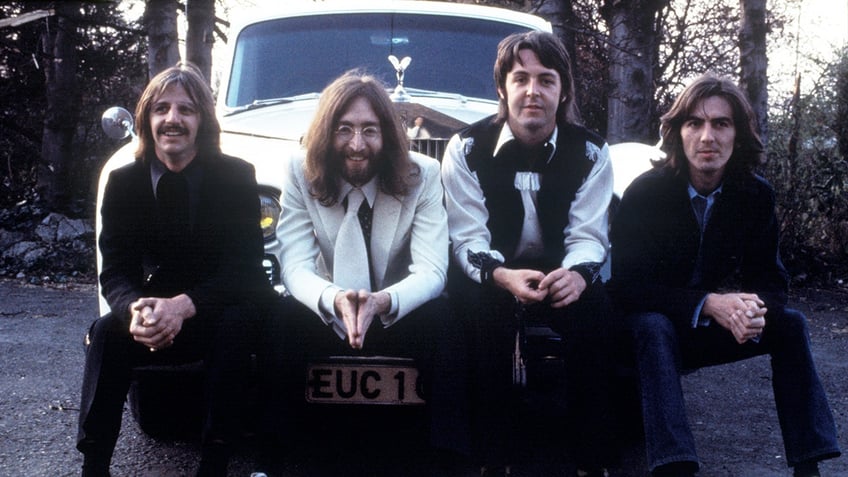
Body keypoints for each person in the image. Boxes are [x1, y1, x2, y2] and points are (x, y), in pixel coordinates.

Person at [609, 74, 841, 477]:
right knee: (653, 325)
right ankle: (674, 466)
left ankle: (809, 464)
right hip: (640, 335)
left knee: (790, 324)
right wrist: (710, 304)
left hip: (700, 331)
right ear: (677, 133)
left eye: (721, 123)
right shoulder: (646, 192)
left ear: (739, 135)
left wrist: (752, 309)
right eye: (694, 123)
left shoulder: (754, 195)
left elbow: (772, 279)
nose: (707, 136)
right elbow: (626, 288)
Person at [268, 70, 468, 472]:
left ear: (388, 136)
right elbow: (294, 266)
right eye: (344, 129)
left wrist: (385, 301)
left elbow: (432, 270)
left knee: (446, 317)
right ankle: (274, 459)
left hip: (393, 310)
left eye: (370, 130)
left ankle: (448, 457)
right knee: (281, 315)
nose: (357, 145)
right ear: (326, 133)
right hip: (327, 309)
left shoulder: (423, 174)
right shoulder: (298, 170)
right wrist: (333, 299)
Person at [78, 62, 271, 477]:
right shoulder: (123, 181)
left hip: (215, 310)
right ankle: (94, 464)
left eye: (186, 109)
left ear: (202, 119)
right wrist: (134, 310)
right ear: (147, 119)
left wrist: (184, 306)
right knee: (106, 332)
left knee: (238, 326)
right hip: (151, 313)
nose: (173, 119)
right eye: (161, 109)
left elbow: (244, 268)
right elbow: (114, 269)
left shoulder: (237, 177)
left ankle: (215, 462)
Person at [441, 31, 618, 476]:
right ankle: (491, 457)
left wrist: (576, 274)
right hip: (493, 271)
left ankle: (590, 459)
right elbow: (466, 239)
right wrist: (501, 276)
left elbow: (589, 235)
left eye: (546, 79)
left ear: (563, 91)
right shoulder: (465, 149)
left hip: (562, 269)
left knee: (597, 312)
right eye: (521, 79)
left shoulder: (592, 152)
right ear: (503, 88)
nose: (533, 91)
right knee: (478, 314)